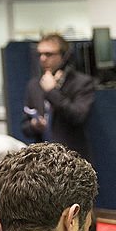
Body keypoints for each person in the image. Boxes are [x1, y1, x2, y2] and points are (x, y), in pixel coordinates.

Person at [22, 32, 95, 160]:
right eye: (40, 54)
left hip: (72, 159)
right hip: (42, 160)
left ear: (64, 56)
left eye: (49, 54)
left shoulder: (81, 83)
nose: (43, 59)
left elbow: (78, 116)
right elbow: (25, 127)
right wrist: (34, 125)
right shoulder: (34, 85)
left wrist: (51, 91)